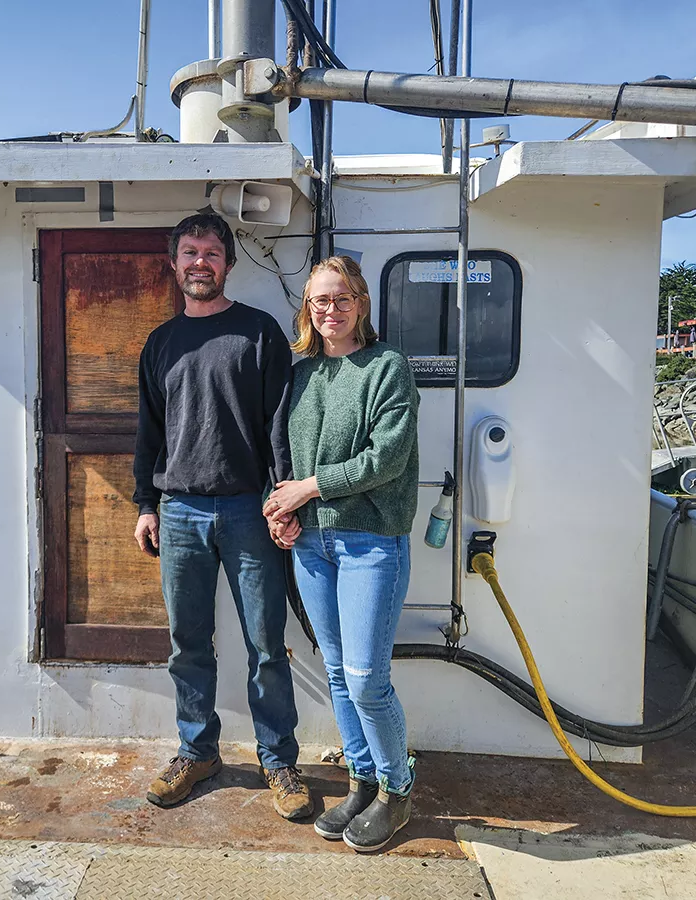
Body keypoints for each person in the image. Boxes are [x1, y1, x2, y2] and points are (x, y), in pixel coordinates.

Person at [133, 212, 312, 820]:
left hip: (247, 510)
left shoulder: (259, 332)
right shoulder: (159, 343)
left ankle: (279, 761)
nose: (200, 263)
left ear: (228, 264)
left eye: (211, 253)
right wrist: (145, 504)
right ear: (174, 263)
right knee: (188, 644)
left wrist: (283, 500)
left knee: (266, 645)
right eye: (190, 252)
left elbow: (278, 427)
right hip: (179, 511)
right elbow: (148, 434)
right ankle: (196, 750)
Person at [262, 256, 420, 852]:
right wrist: (286, 511)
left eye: (341, 298)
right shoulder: (301, 377)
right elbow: (289, 461)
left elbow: (389, 457)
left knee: (365, 678)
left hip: (370, 544)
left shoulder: (388, 367)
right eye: (319, 300)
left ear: (361, 303)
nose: (330, 309)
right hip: (313, 543)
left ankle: (397, 791)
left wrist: (309, 488)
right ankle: (362, 780)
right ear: (308, 308)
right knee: (335, 670)